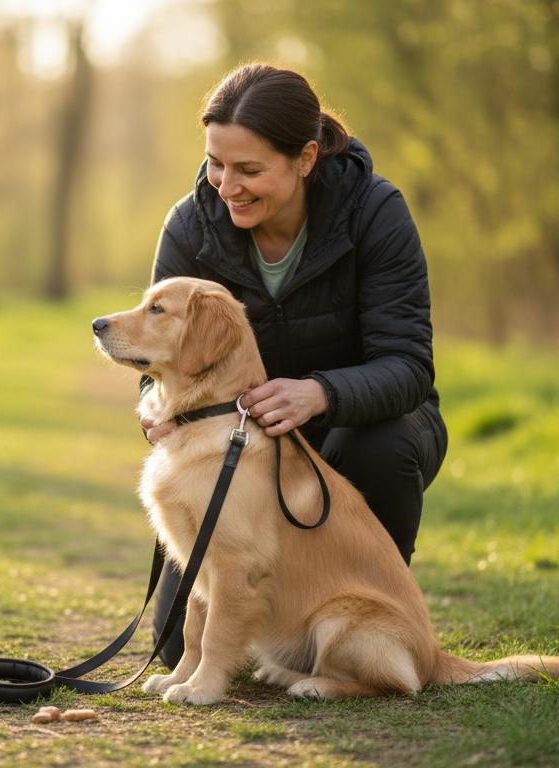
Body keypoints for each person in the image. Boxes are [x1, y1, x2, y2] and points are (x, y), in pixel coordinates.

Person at [140, 63, 448, 669]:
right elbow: (158, 354)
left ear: (306, 158)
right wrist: (154, 409)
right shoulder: (190, 225)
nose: (227, 186)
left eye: (249, 170)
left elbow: (409, 365)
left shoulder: (375, 212)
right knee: (175, 649)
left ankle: (368, 620)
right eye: (216, 164)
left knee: (381, 446)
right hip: (240, 448)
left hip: (357, 429)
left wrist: (321, 393)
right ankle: (288, 639)